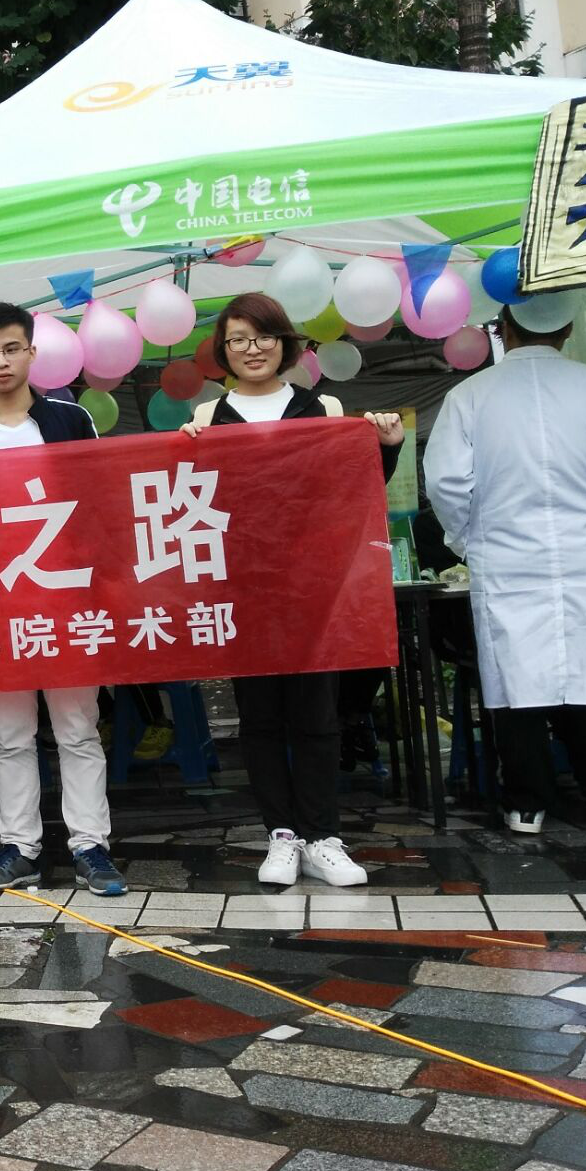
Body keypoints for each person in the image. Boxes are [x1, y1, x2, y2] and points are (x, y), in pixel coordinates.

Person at [179, 291, 403, 887]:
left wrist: (387, 449)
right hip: (243, 589)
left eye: (263, 337)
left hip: (313, 588)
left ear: (285, 343)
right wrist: (183, 453)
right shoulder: (207, 417)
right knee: (259, 718)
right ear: (223, 350)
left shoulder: (321, 407)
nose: (251, 349)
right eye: (238, 339)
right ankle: (280, 834)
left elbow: (355, 488)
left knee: (316, 715)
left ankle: (322, 835)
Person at [424, 292, 586, 837]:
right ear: (567, 331)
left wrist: (469, 538)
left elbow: (446, 482)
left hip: (506, 558)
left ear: (502, 328)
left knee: (515, 680)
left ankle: (526, 804)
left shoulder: (470, 395)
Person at [0, 302, 127, 897]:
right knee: (11, 733)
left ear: (31, 353)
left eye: (11, 349)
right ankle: (19, 846)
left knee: (77, 728)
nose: (1, 361)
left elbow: (99, 503)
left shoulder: (70, 421)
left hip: (66, 599)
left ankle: (91, 846)